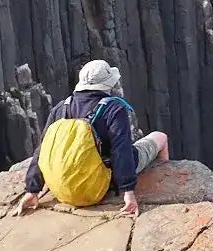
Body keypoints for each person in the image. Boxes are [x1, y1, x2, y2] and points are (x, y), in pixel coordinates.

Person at [17, 60, 168, 217]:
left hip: (64, 187)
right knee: (160, 137)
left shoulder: (61, 108)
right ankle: (165, 175)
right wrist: (128, 192)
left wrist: (32, 190)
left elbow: (42, 150)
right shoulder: (114, 109)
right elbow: (121, 150)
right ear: (107, 84)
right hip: (99, 183)